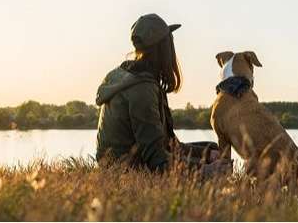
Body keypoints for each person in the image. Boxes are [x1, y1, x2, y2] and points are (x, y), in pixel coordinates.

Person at [95, 13, 231, 175]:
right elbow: (157, 160)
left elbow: (167, 143)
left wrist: (207, 155)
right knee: (217, 170)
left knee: (212, 149)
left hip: (126, 162)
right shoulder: (142, 89)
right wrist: (205, 170)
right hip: (127, 170)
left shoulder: (129, 76)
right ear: (164, 48)